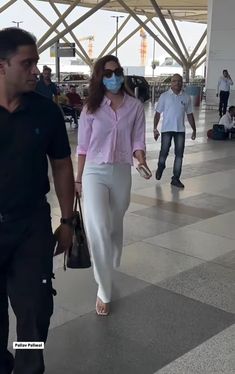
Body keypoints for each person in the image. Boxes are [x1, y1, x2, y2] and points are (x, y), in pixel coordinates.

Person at [0, 28, 74, 374]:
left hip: (31, 227)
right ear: (2, 65)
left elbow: (61, 165)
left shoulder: (46, 113)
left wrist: (68, 220)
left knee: (35, 311)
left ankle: (28, 366)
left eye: (37, 63)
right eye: (27, 63)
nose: (35, 71)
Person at [75, 55, 151, 316]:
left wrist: (140, 158)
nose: (114, 77)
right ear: (99, 77)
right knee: (98, 228)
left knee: (114, 226)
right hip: (94, 172)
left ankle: (110, 259)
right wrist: (78, 178)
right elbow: (83, 148)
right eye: (108, 73)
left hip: (121, 171)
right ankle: (104, 289)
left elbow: (138, 140)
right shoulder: (90, 108)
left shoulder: (135, 106)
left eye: (117, 72)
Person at [154, 74, 196, 189]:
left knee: (179, 155)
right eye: (174, 81)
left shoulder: (186, 97)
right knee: (164, 152)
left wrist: (194, 130)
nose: (177, 83)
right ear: (171, 83)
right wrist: (155, 129)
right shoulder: (164, 96)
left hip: (180, 130)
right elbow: (157, 113)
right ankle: (160, 167)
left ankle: (175, 178)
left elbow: (190, 114)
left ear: (182, 83)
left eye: (179, 81)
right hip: (166, 129)